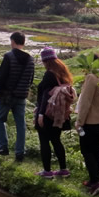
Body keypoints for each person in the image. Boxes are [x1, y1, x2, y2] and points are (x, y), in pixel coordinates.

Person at [0, 31, 35, 162]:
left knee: (0, 120)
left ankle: (3, 147)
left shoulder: (9, 56)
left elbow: (2, 76)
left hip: (7, 95)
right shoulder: (30, 59)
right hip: (22, 95)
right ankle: (19, 152)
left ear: (13, 41)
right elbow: (31, 79)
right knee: (20, 124)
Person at [34, 47, 76, 178]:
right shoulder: (63, 74)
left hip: (47, 114)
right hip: (58, 113)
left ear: (45, 60)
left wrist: (40, 114)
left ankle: (47, 171)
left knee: (44, 141)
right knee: (56, 140)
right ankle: (63, 169)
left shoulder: (49, 74)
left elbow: (46, 96)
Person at [75, 55, 99, 196]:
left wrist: (79, 122)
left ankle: (96, 182)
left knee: (87, 150)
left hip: (91, 121)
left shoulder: (92, 78)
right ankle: (94, 180)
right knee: (96, 149)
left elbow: (85, 102)